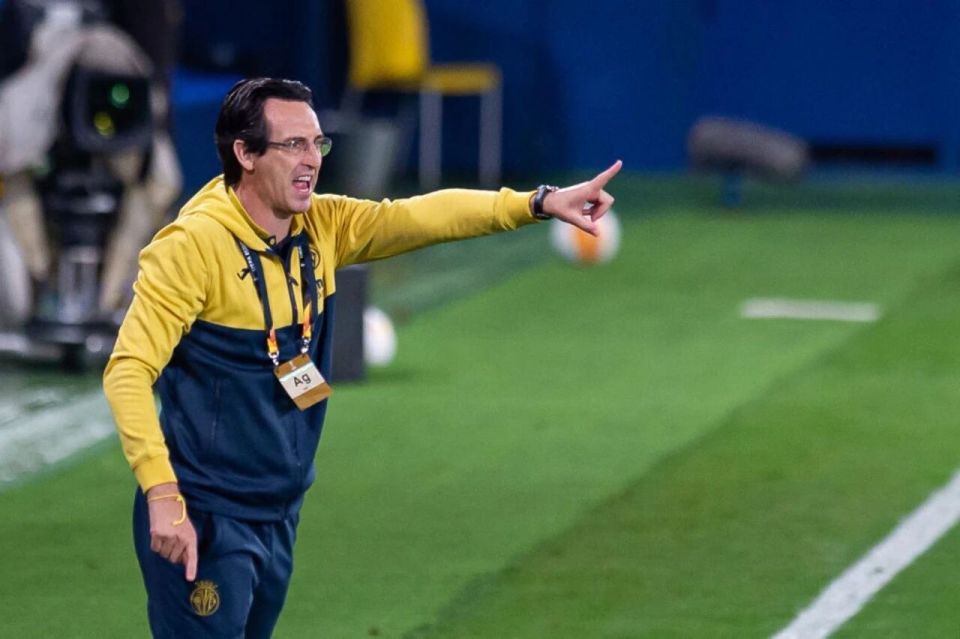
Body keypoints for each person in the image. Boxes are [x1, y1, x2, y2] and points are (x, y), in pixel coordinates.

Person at [102, 76, 620, 637]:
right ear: (245, 154)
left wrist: (537, 202)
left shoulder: (321, 227)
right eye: (293, 145)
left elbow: (419, 217)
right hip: (203, 513)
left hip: (278, 511)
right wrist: (162, 493)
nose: (312, 160)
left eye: (317, 143)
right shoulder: (191, 248)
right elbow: (128, 371)